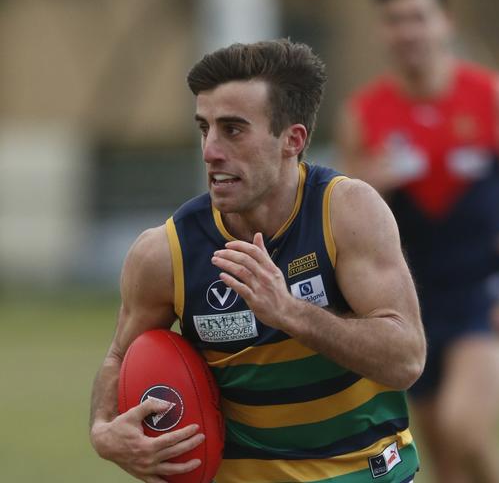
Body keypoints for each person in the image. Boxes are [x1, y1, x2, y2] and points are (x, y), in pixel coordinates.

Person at [89, 39, 427, 483]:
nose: (210, 150)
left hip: (362, 472)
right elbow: (119, 355)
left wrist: (289, 312)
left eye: (232, 129)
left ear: (293, 139)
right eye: (204, 128)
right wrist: (103, 432)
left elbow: (406, 359)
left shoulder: (347, 214)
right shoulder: (165, 253)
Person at [337, 0, 499, 481]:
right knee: (445, 459)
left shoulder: (498, 96)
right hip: (411, 300)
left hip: (487, 294)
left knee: (466, 428)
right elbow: (344, 215)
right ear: (382, 32)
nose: (407, 31)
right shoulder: (365, 113)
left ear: (445, 23)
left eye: (418, 17)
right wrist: (371, 182)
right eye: (395, 20)